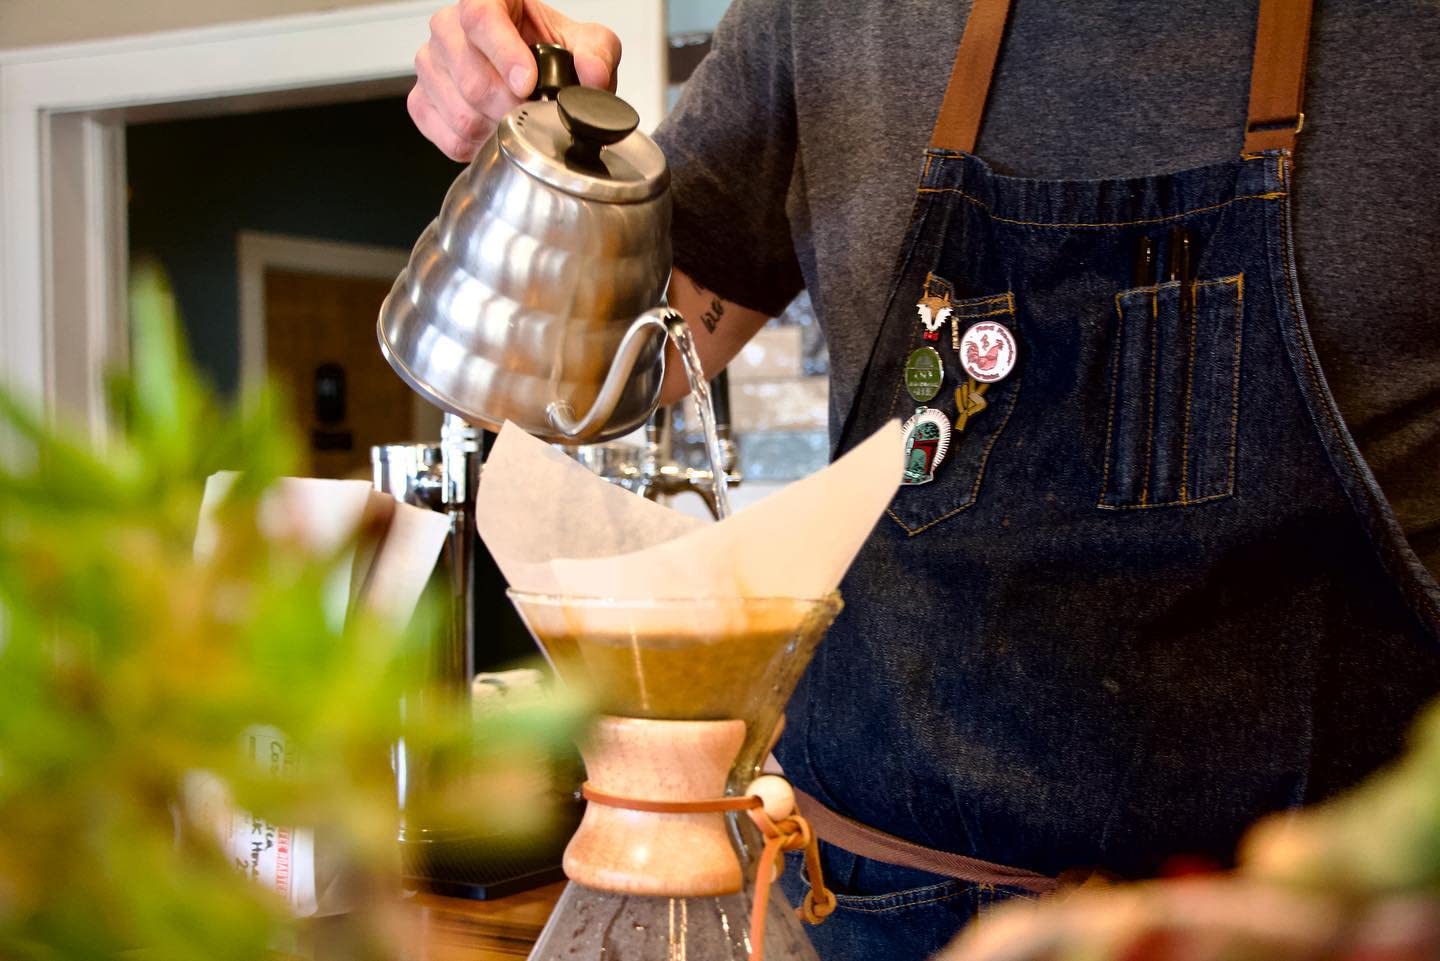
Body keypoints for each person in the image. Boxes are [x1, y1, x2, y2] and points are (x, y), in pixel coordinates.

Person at [408, 1, 1440, 958]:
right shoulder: (829, 16)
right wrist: (533, 152)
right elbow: (622, 365)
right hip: (873, 912)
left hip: (1327, 923)